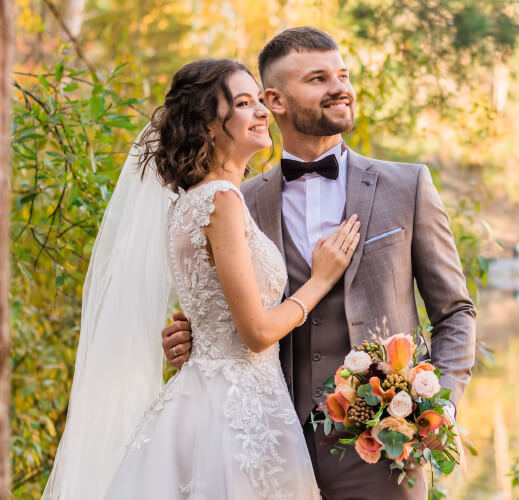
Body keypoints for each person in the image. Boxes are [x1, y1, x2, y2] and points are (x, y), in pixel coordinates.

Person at [163, 27, 477, 499]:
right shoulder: (233, 200)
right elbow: (230, 311)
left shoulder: (406, 186)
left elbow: (455, 313)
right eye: (318, 78)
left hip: (384, 450)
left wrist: (439, 408)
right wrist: (192, 337)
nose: (340, 88)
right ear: (276, 100)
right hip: (266, 442)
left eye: (343, 75)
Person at [43, 58, 360, 499]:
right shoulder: (223, 201)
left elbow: (213, 312)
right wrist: (321, 280)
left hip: (206, 399)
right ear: (210, 126)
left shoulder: (188, 203)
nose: (263, 111)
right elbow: (255, 332)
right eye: (245, 103)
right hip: (238, 414)